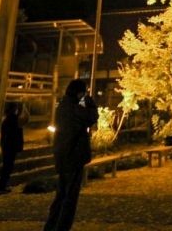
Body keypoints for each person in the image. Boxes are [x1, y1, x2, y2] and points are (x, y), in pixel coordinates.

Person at [43, 78, 99, 231]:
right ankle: (61, 227)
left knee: (61, 194)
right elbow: (92, 117)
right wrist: (89, 100)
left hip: (62, 155)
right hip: (73, 155)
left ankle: (51, 226)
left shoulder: (63, 106)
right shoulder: (74, 109)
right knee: (70, 197)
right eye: (83, 92)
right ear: (79, 92)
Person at [0, 101, 27, 194]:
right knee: (7, 168)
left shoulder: (7, 119)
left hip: (6, 146)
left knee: (6, 167)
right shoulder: (14, 119)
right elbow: (24, 122)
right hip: (11, 147)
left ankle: (1, 186)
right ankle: (0, 187)